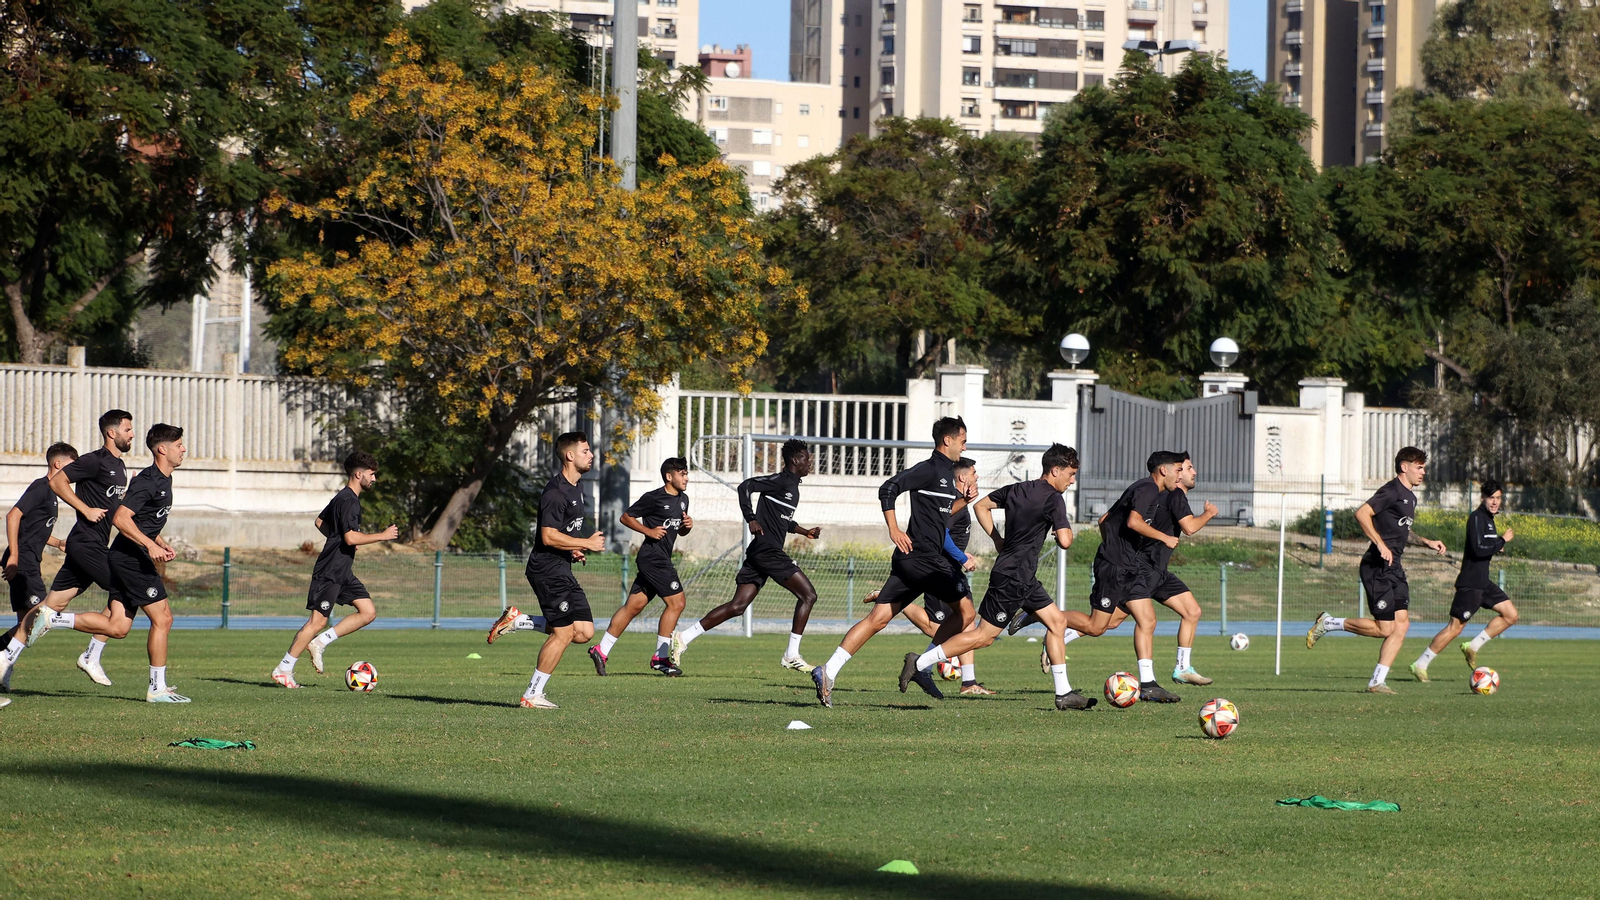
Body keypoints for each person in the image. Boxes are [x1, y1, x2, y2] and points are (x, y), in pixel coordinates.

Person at [867, 444, 1098, 712]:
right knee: (983, 636)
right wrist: (1060, 533)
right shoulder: (1054, 499)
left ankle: (1063, 693)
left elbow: (982, 506)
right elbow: (1067, 541)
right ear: (1055, 470)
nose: (1072, 481)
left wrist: (998, 539)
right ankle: (919, 664)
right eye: (1070, 474)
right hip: (1014, 578)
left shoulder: (1018, 489)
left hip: (1021, 575)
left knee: (1057, 623)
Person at [24, 425, 195, 701]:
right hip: (131, 559)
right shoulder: (148, 481)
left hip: (132, 557)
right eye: (179, 445)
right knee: (163, 619)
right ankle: (157, 688)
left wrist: (158, 541)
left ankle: (55, 618)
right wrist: (149, 545)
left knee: (118, 627)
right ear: (162, 449)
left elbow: (141, 518)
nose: (183, 449)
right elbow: (121, 519)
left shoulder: (164, 480)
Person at [813, 419, 977, 699]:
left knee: (878, 619)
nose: (965, 445)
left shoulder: (947, 474)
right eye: (962, 439)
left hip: (911, 560)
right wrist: (894, 529)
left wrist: (963, 502)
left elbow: (940, 519)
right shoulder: (929, 469)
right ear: (947, 441)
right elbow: (888, 488)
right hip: (925, 559)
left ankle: (828, 670)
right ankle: (922, 665)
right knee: (967, 614)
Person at [669, 439, 822, 672]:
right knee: (809, 595)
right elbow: (745, 487)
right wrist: (751, 517)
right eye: (805, 457)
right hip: (768, 552)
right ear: (794, 460)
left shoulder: (793, 487)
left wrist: (805, 532)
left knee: (738, 606)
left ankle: (683, 637)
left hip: (760, 553)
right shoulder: (780, 481)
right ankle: (791, 654)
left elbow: (783, 521)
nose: (809, 461)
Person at [1307, 446, 1446, 693]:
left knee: (1401, 626)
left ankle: (1377, 681)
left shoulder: (1411, 497)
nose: (1423, 472)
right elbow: (1361, 514)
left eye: (1423, 467)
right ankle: (1329, 623)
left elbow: (1401, 530)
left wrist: (1426, 542)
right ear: (1404, 467)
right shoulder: (1391, 490)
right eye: (1419, 467)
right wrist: (1380, 544)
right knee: (1385, 628)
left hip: (1395, 567)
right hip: (1376, 567)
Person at [486, 432, 607, 709]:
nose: (591, 455)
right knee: (563, 633)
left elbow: (561, 535)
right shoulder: (555, 492)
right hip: (547, 571)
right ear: (570, 455)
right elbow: (548, 536)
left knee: (585, 632)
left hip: (561, 566)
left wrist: (573, 549)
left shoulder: (576, 488)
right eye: (586, 451)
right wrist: (585, 542)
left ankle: (519, 621)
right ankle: (532, 694)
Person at [17, 409, 134, 686]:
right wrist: (85, 508)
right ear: (111, 432)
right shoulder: (95, 460)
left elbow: (115, 510)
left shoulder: (120, 467)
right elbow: (57, 481)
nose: (132, 434)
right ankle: (87, 651)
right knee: (129, 589)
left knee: (50, 604)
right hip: (86, 543)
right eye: (128, 429)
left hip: (89, 545)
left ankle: (4, 656)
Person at [270, 450, 399, 688]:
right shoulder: (349, 500)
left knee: (368, 612)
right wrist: (382, 536)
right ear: (358, 474)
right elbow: (350, 538)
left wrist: (338, 538)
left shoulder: (343, 497)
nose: (374, 479)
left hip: (342, 571)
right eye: (372, 474)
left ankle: (320, 643)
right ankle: (283, 669)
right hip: (330, 571)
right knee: (317, 622)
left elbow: (320, 522)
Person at [888, 457, 992, 694]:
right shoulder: (952, 501)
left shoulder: (959, 501)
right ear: (962, 478)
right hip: (940, 571)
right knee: (939, 628)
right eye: (974, 473)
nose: (977, 477)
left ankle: (966, 681)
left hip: (948, 568)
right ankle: (922, 665)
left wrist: (959, 554)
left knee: (965, 621)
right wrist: (962, 558)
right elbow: (941, 535)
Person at [589, 457, 694, 677]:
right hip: (653, 558)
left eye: (686, 473)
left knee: (633, 607)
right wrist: (648, 531)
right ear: (669, 476)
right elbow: (625, 517)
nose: (686, 477)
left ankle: (601, 650)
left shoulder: (683, 500)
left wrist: (687, 526)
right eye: (682, 473)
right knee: (678, 602)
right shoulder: (653, 498)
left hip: (660, 557)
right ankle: (661, 658)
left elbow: (679, 530)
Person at [1411, 480, 1518, 681]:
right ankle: (1420, 663)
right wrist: (1501, 541)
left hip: (1483, 582)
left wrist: (1496, 544)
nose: (1495, 502)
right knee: (1455, 627)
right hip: (1470, 583)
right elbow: (1478, 549)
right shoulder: (1477, 518)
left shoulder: (1488, 519)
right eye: (1491, 498)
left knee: (1511, 615)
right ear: (1483, 498)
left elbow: (1485, 545)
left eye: (1498, 498)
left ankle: (1473, 646)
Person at [0, 442, 77, 691]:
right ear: (58, 464)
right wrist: (14, 555)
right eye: (72, 466)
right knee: (41, 618)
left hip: (30, 560)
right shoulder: (41, 487)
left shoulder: (53, 494)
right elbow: (13, 516)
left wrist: (57, 542)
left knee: (28, 624)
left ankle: (4, 671)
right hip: (23, 562)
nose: (75, 473)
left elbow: (34, 529)